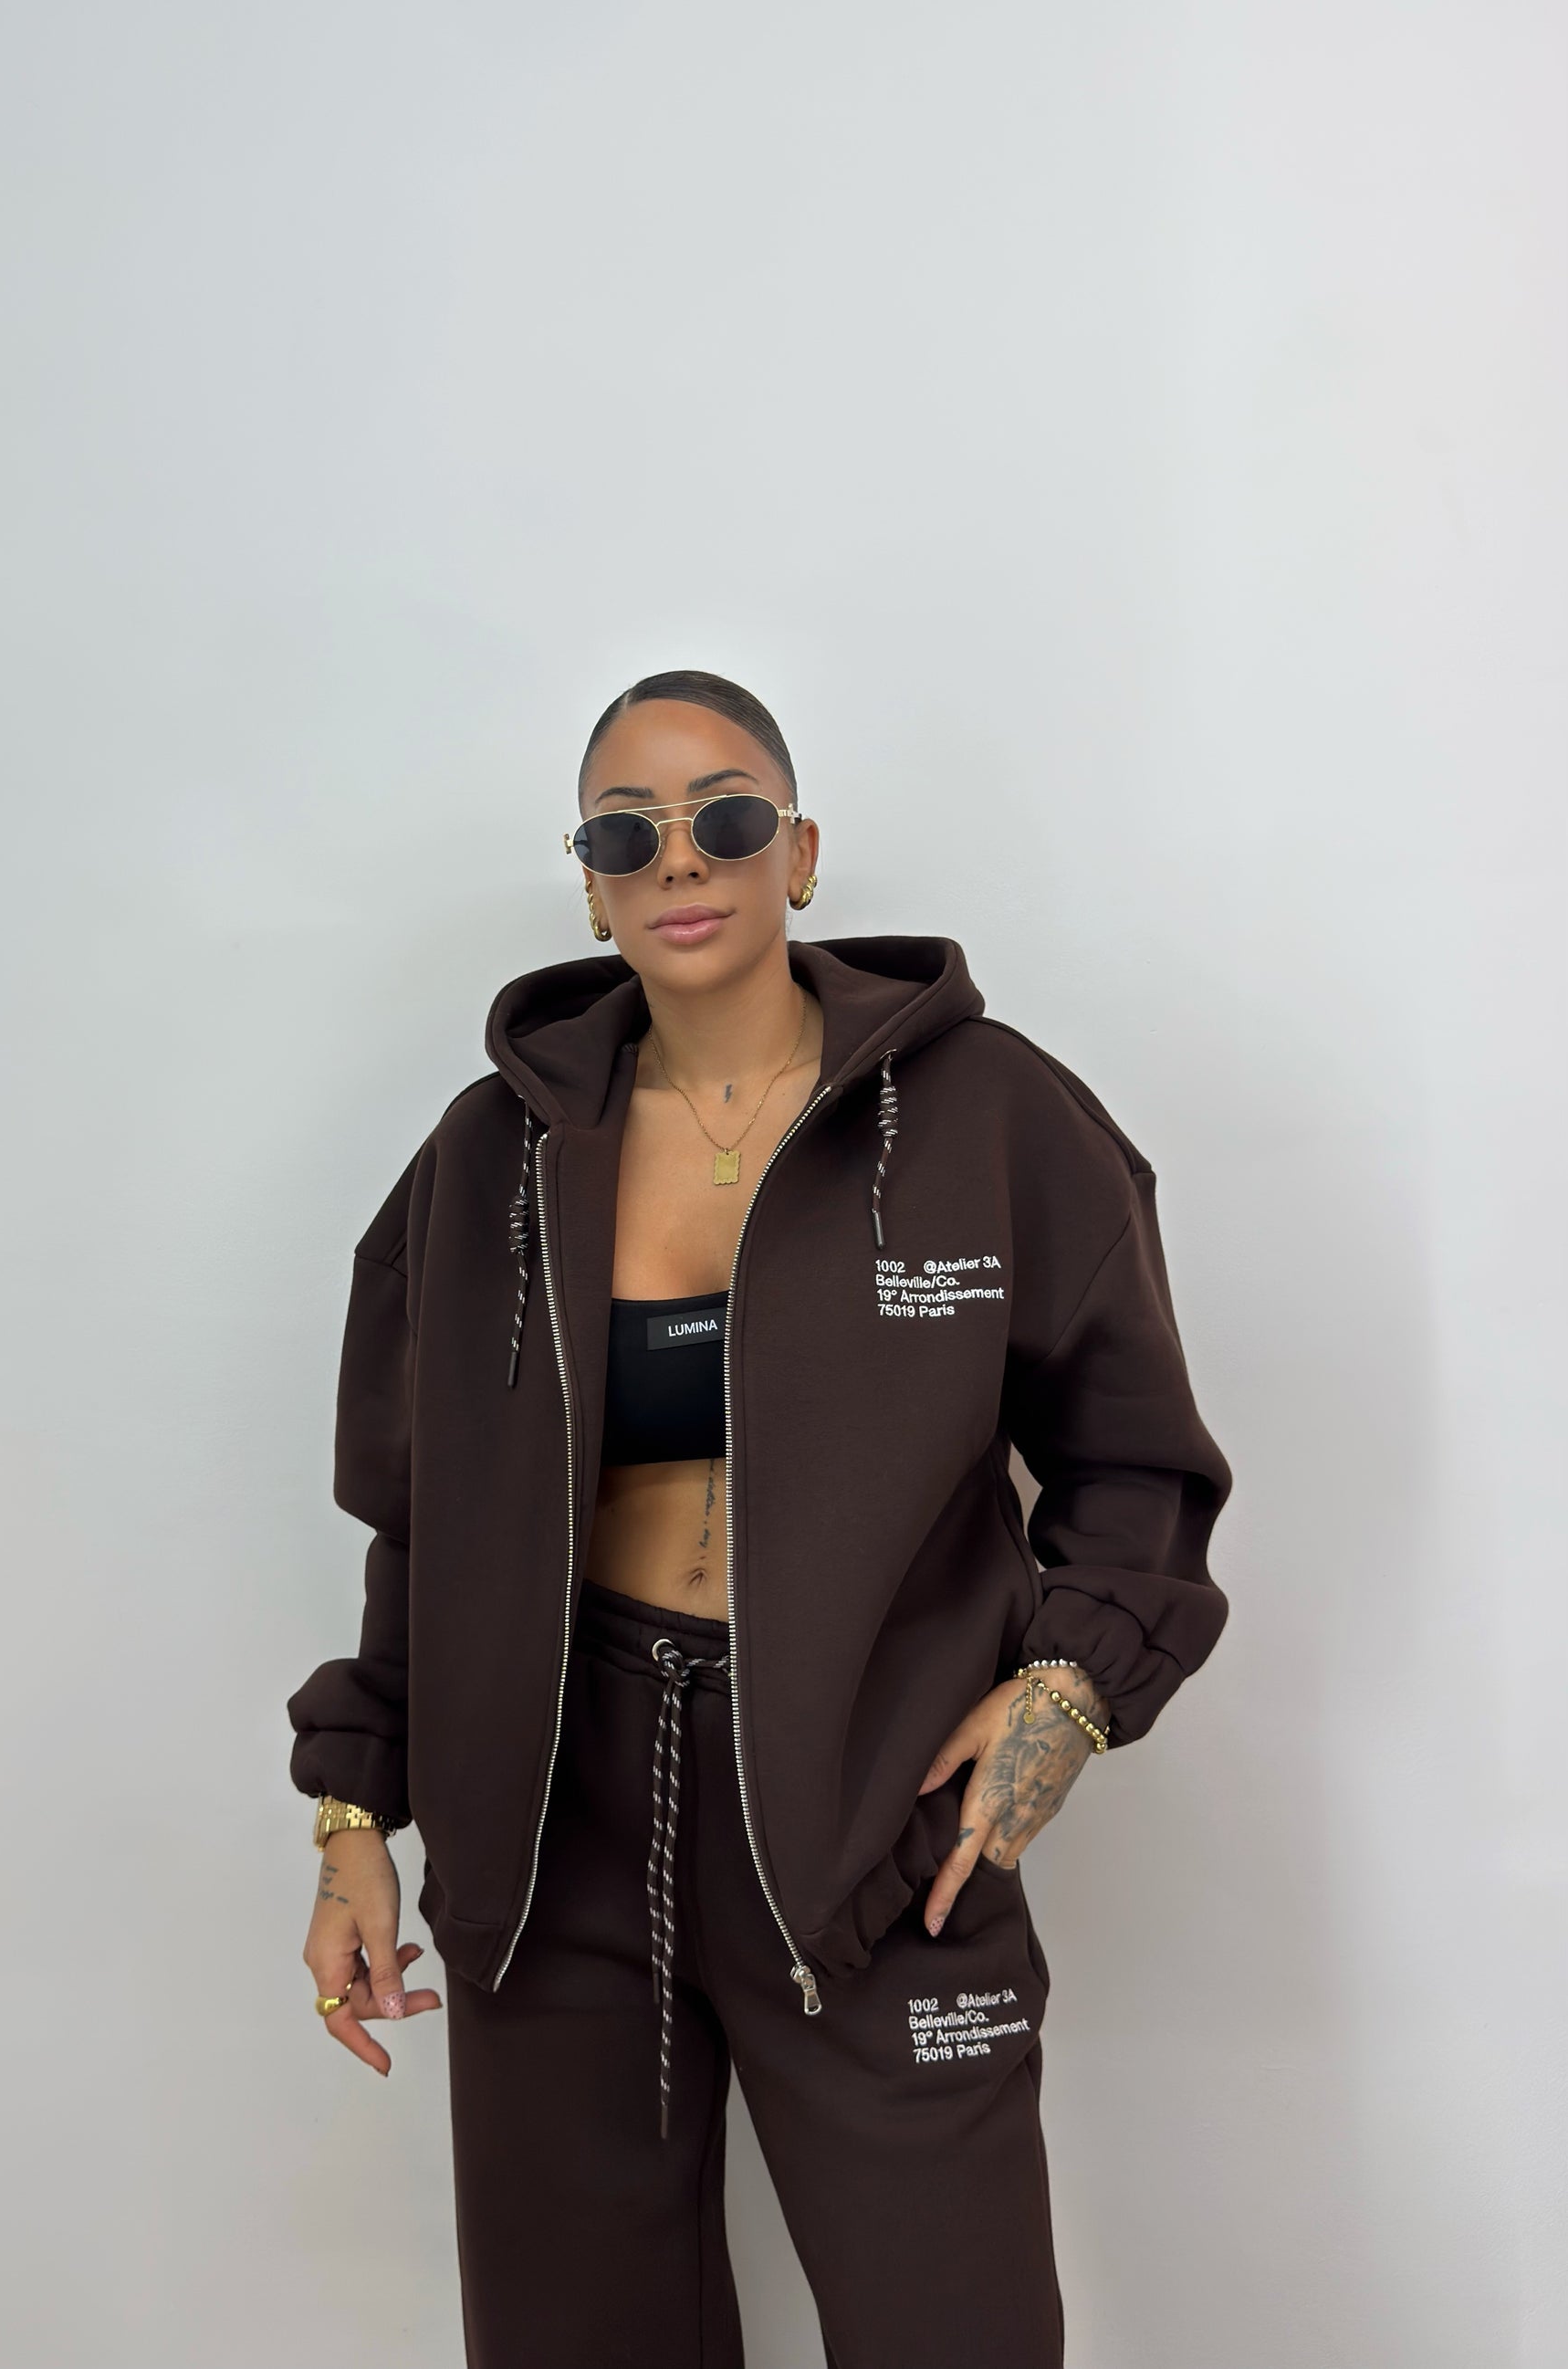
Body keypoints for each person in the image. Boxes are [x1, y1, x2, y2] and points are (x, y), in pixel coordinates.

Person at [287, 669, 1232, 2369]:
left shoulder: (989, 1115)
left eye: (723, 817)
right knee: (579, 2340)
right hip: (556, 1826)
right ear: (589, 888)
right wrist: (356, 1812)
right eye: (623, 833)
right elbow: (421, 1516)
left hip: (875, 1808)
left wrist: (1070, 1688)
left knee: (952, 2328)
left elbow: (1135, 1459)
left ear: (796, 853)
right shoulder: (491, 1160)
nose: (677, 858)